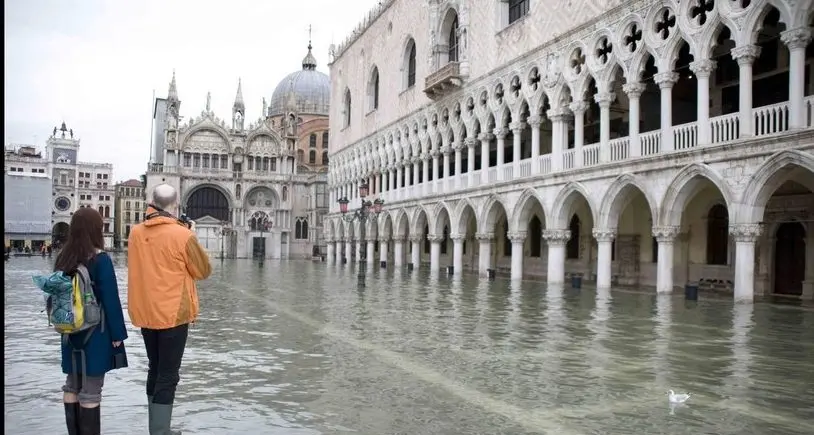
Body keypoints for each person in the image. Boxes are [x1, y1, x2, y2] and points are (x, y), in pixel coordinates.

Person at [127, 184, 212, 435]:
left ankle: (155, 427)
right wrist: (190, 235)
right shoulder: (182, 236)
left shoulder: (135, 233)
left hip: (145, 312)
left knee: (155, 369)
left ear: (152, 202)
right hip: (173, 314)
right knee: (168, 375)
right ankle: (161, 431)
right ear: (175, 206)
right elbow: (203, 270)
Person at [55, 208, 129, 435]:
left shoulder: (63, 258)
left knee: (72, 384)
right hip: (96, 332)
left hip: (69, 331)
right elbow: (111, 301)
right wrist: (118, 336)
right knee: (91, 389)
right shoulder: (100, 259)